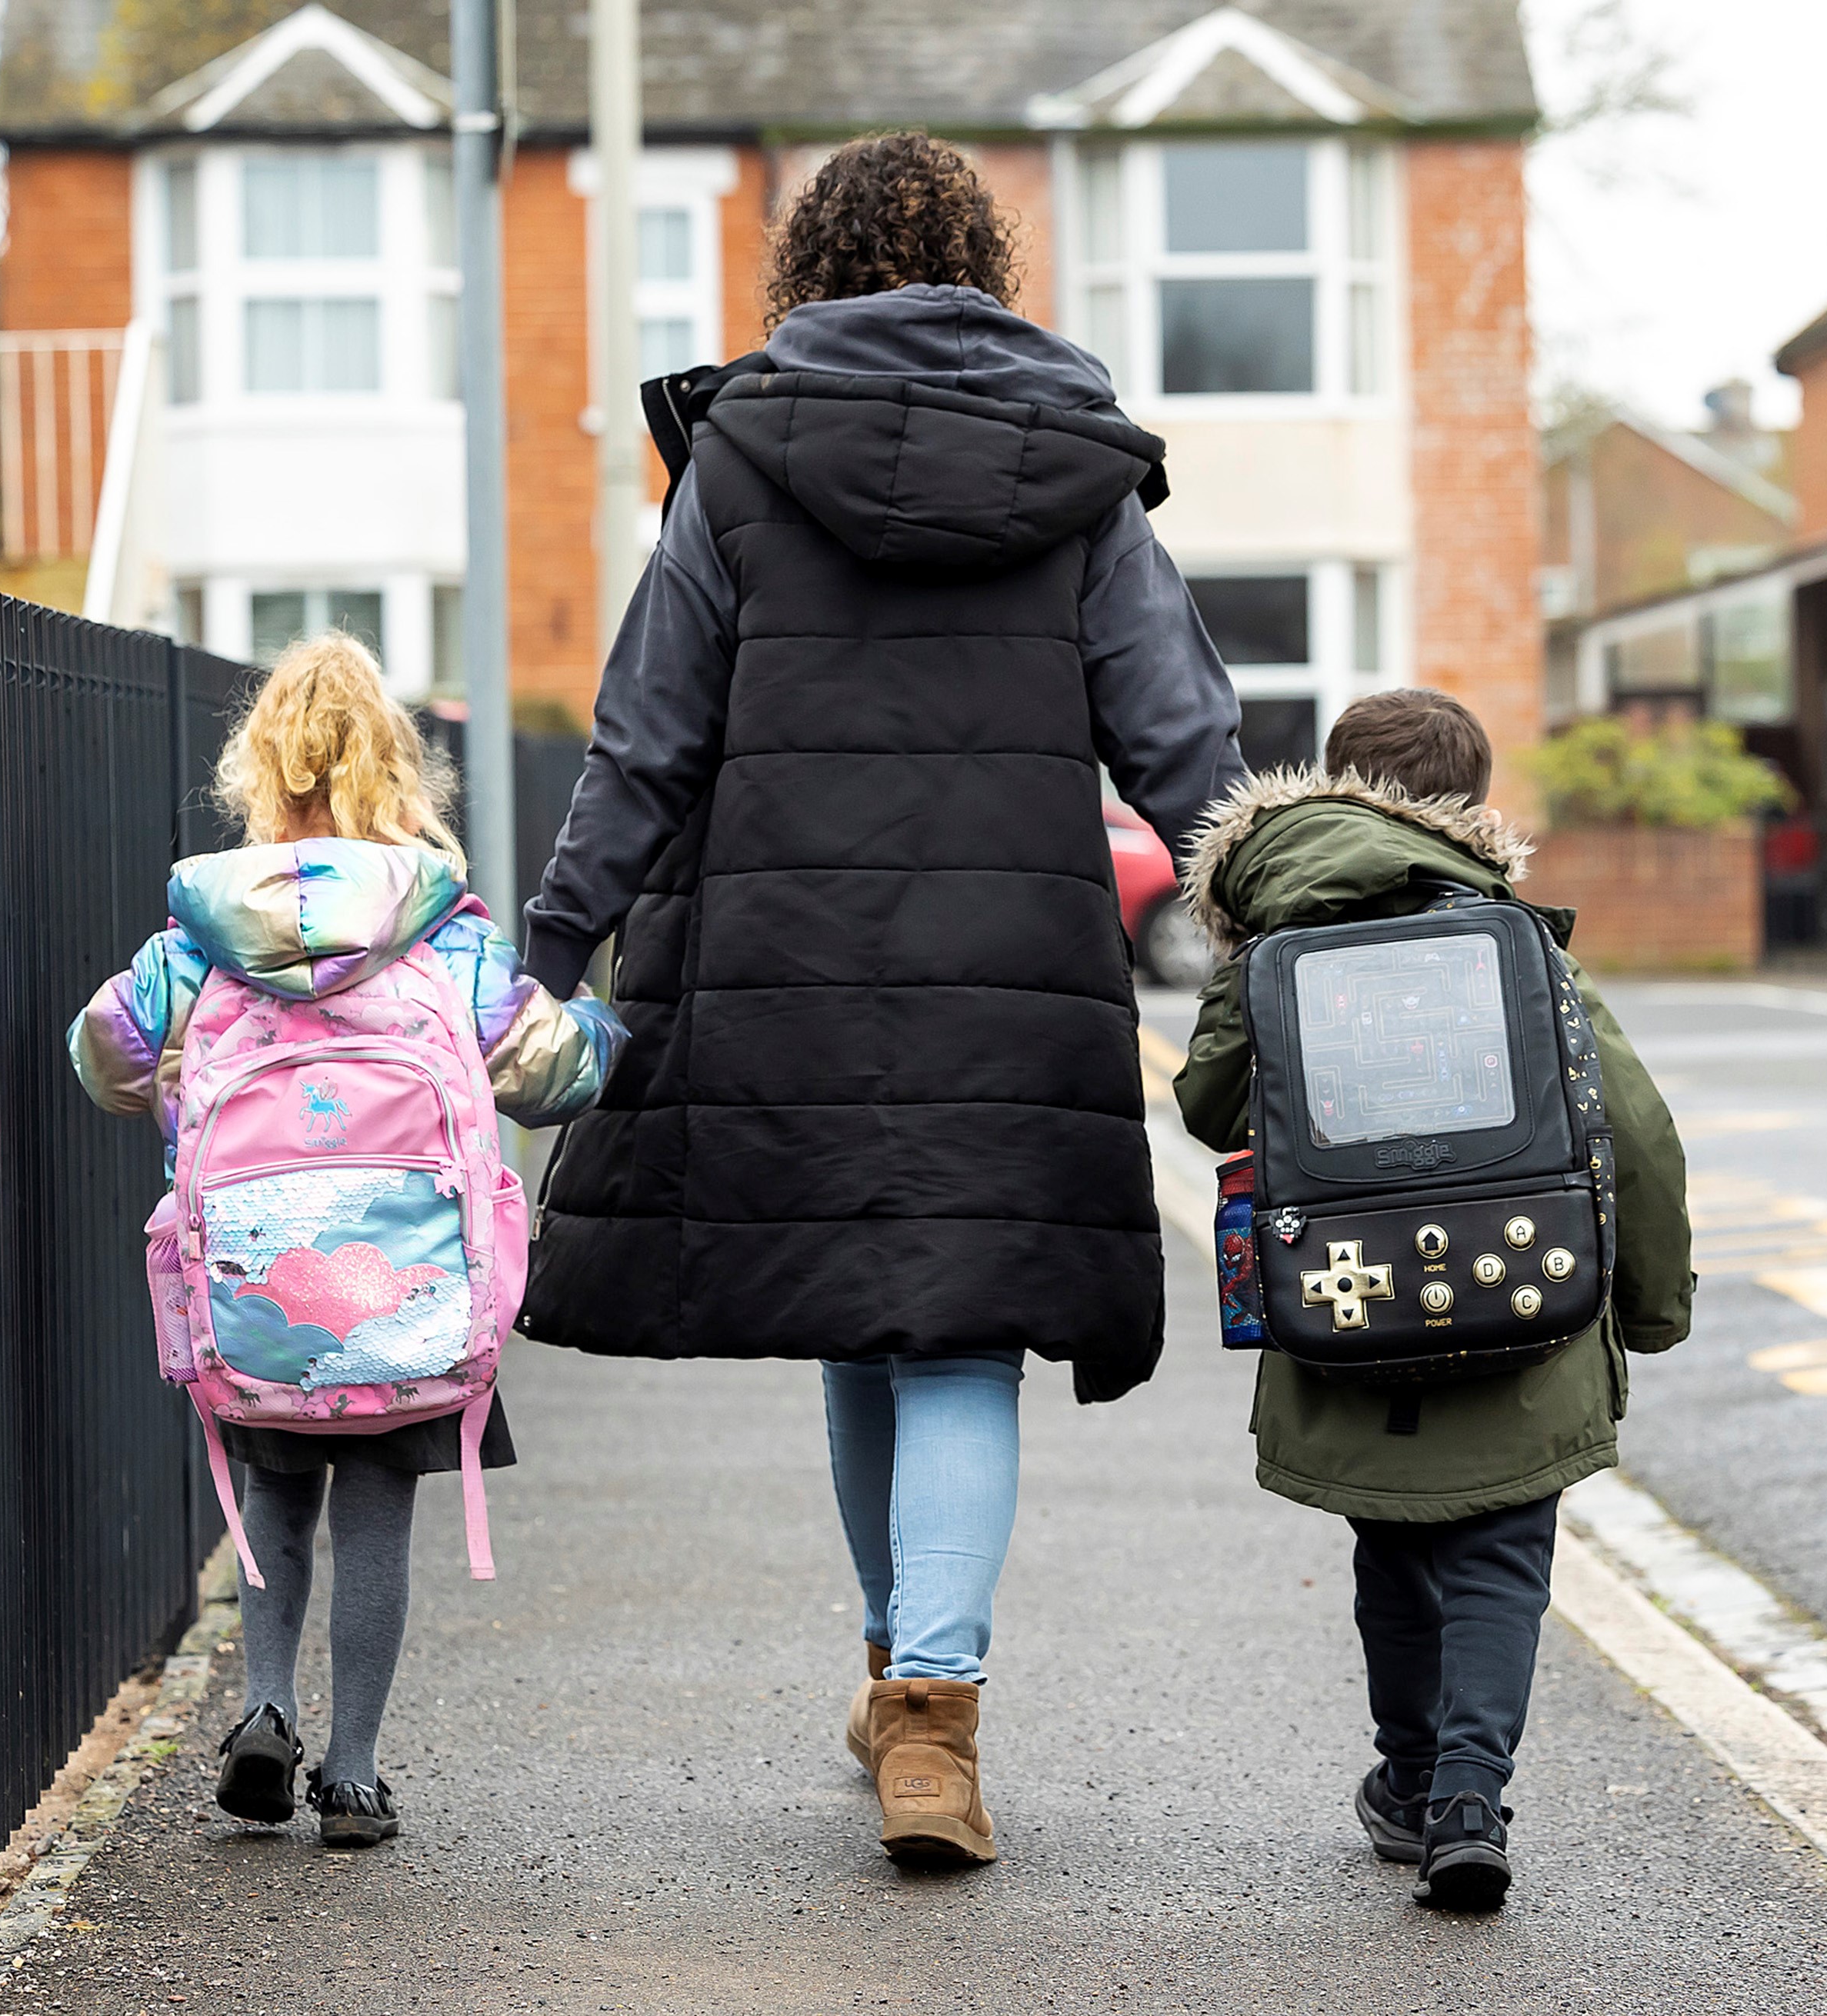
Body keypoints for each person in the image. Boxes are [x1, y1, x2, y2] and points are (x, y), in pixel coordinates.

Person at [515, 133, 1245, 1864]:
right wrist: (1302, 914)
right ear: (986, 265)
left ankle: (902, 1695)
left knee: (864, 1312)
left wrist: (550, 947)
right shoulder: (1076, 469)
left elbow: (648, 736)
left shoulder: (742, 457)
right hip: (1013, 988)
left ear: (805, 275)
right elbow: (1184, 744)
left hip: (786, 976)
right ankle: (930, 1708)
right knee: (959, 1333)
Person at [70, 637, 623, 1848]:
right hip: (406, 1281)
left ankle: (264, 1705)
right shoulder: (444, 929)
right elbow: (546, 1072)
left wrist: (170, 1094)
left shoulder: (207, 927)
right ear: (398, 768)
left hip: (261, 1273)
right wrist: (606, 1026)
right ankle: (355, 1772)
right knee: (376, 1502)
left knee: (276, 1488)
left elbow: (101, 1046)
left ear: (264, 769)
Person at [1171, 688, 1693, 1911]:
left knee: (1395, 1551)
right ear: (1472, 805)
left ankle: (1406, 1781)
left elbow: (1204, 1105)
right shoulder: (1513, 938)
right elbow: (1638, 1132)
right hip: (1524, 1293)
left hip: (1348, 1304)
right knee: (1502, 1552)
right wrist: (1652, 1308)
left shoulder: (1273, 939)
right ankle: (1469, 1796)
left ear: (1332, 786)